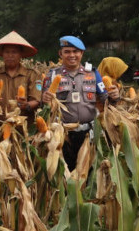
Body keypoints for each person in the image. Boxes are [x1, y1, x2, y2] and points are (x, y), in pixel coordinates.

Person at [41, 35, 120, 171]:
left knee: (88, 174)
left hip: (87, 134)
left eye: (75, 51)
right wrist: (45, 101)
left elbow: (105, 101)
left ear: (82, 53)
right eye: (67, 51)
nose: (72, 55)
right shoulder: (52, 75)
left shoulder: (93, 73)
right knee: (65, 174)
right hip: (62, 135)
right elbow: (44, 107)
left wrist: (114, 97)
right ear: (61, 54)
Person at [0, 31, 42, 119]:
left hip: (22, 128)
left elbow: (36, 100)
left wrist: (26, 105)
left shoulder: (32, 75)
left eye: (14, 52)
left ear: (21, 55)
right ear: (2, 54)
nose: (10, 55)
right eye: (7, 52)